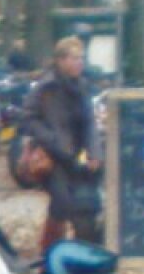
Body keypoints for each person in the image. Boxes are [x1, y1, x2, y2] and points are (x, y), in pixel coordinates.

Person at [21, 36, 102, 253]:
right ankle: (50, 251)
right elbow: (29, 117)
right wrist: (50, 139)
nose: (79, 63)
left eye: (81, 58)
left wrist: (94, 152)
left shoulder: (82, 87)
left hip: (78, 154)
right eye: (74, 58)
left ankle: (80, 247)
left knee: (85, 198)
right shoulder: (46, 88)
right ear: (61, 61)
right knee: (62, 201)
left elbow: (89, 123)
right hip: (53, 155)